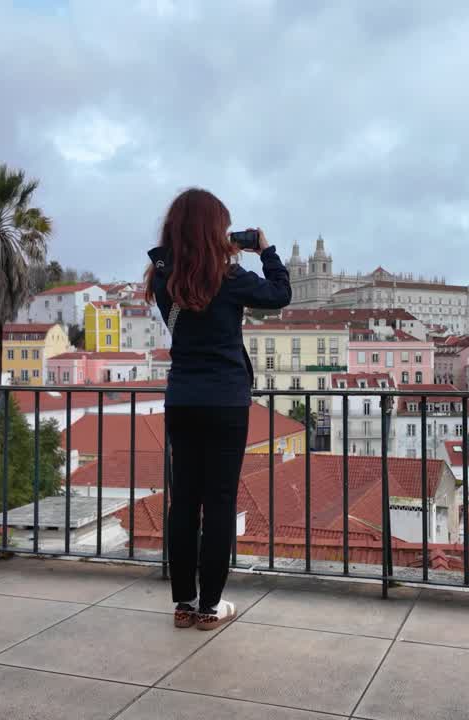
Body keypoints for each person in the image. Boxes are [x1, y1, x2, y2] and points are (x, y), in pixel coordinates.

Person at [145, 188, 291, 630]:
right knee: (220, 501)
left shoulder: (161, 276)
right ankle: (211, 606)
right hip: (226, 400)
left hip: (183, 399)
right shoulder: (230, 278)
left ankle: (184, 605)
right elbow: (280, 294)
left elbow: (186, 277)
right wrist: (265, 249)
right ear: (215, 230)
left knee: (184, 502)